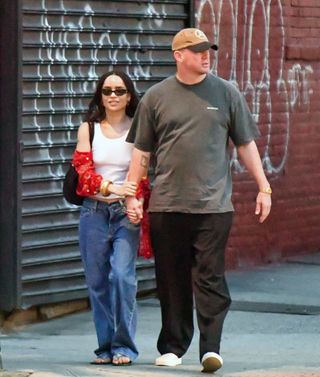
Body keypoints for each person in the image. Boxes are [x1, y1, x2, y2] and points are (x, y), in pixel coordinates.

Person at [125, 28, 272, 373]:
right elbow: (142, 151)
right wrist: (133, 195)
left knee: (210, 278)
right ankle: (173, 347)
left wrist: (264, 187)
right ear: (178, 55)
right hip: (167, 204)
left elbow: (245, 144)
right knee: (171, 279)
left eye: (208, 50)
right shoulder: (156, 97)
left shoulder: (226, 93)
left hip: (213, 206)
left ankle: (211, 348)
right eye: (197, 50)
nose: (206, 56)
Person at [72, 70, 142, 366]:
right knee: (98, 282)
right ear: (100, 96)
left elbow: (144, 171)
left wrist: (134, 197)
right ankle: (105, 347)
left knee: (122, 277)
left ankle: (124, 346)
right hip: (94, 212)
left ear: (129, 96)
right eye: (107, 91)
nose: (113, 96)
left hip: (125, 213)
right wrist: (110, 186)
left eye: (119, 90)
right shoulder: (88, 129)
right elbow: (83, 174)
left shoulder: (139, 129)